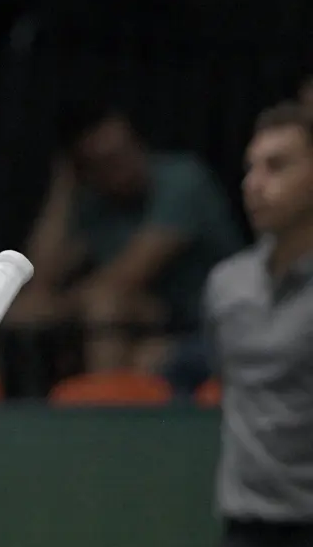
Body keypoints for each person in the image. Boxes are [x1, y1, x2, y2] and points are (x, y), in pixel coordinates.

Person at [13, 100, 246, 378]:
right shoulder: (94, 203)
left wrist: (56, 309)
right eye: (109, 162)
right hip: (153, 322)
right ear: (86, 171)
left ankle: (105, 413)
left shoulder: (182, 180)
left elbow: (127, 275)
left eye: (128, 150)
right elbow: (38, 277)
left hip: (210, 327)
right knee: (20, 312)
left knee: (105, 304)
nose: (128, 165)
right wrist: (63, 189)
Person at [201, 101, 313, 547]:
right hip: (244, 540)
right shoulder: (226, 287)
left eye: (277, 165)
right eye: (251, 167)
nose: (254, 183)